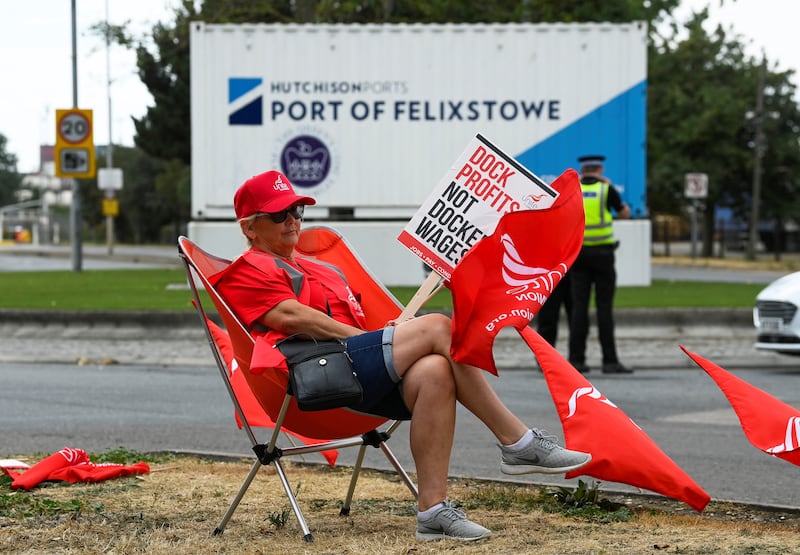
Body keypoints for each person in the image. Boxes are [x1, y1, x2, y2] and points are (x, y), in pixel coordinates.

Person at [214, 170, 592, 542]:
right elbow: (290, 315)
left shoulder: (321, 268)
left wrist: (392, 332)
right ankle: (518, 442)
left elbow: (358, 321)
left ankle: (432, 511)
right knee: (439, 327)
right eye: (280, 214)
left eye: (298, 211)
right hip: (315, 375)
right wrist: (376, 338)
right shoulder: (247, 268)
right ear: (250, 228)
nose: (292, 221)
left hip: (356, 369)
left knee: (434, 371)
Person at [568, 155, 633, 374]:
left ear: (582, 170)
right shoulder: (606, 190)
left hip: (579, 256)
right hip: (603, 256)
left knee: (579, 309)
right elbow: (624, 214)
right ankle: (610, 361)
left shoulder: (574, 190)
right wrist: (611, 188)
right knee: (604, 308)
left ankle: (576, 360)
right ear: (600, 169)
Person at [535, 273, 572, 348]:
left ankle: (545, 353)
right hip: (560, 271)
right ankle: (576, 356)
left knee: (547, 318)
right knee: (576, 315)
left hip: (552, 271)